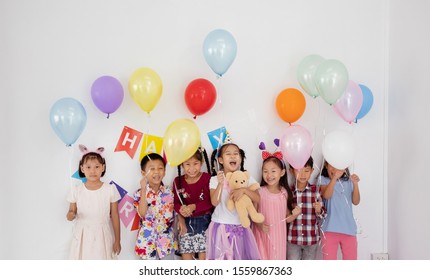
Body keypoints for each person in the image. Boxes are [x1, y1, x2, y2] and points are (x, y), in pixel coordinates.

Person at [206, 143, 261, 260]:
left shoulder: (246, 178)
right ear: (220, 160)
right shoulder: (215, 179)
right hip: (220, 227)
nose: (233, 156)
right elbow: (214, 202)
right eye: (228, 154)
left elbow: (257, 198)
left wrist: (244, 190)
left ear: (240, 158)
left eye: (236, 154)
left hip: (241, 227)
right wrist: (220, 184)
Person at [66, 144, 121, 260]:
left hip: (102, 234)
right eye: (88, 167)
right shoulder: (77, 190)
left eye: (97, 166)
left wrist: (117, 240)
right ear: (82, 168)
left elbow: (115, 215)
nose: (93, 171)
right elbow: (71, 211)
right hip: (82, 235)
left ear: (103, 167)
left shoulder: (110, 189)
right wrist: (70, 215)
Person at [252, 151, 301, 260]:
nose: (269, 175)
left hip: (279, 237)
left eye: (273, 171)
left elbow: (286, 218)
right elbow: (253, 214)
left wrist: (295, 214)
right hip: (262, 236)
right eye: (265, 171)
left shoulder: (284, 193)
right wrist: (260, 225)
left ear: (282, 172)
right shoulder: (259, 191)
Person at [133, 153, 177, 260]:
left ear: (165, 172)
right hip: (146, 244)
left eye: (160, 168)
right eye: (152, 169)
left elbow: (176, 213)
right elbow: (142, 213)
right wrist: (143, 189)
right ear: (143, 173)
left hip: (166, 243)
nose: (156, 172)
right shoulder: (139, 193)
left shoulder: (170, 192)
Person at [173, 147, 213, 260]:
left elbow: (210, 202)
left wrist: (193, 206)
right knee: (186, 254)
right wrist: (181, 210)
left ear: (202, 163)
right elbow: (176, 202)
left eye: (195, 163)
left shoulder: (207, 178)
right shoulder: (177, 181)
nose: (191, 168)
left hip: (204, 221)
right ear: (182, 164)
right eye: (187, 164)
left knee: (203, 255)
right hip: (185, 222)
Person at [319, 161, 360, 260]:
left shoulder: (349, 181)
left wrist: (355, 184)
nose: (334, 170)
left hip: (349, 229)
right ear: (326, 166)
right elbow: (326, 195)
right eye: (331, 166)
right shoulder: (323, 179)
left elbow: (356, 201)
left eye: (337, 166)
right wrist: (334, 179)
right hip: (329, 229)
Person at [287, 156, 326, 260]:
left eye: (306, 170)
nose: (303, 174)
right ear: (291, 171)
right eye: (299, 171)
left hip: (311, 239)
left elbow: (323, 214)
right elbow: (285, 216)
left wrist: (319, 210)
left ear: (312, 171)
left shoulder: (315, 191)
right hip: (293, 239)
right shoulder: (288, 192)